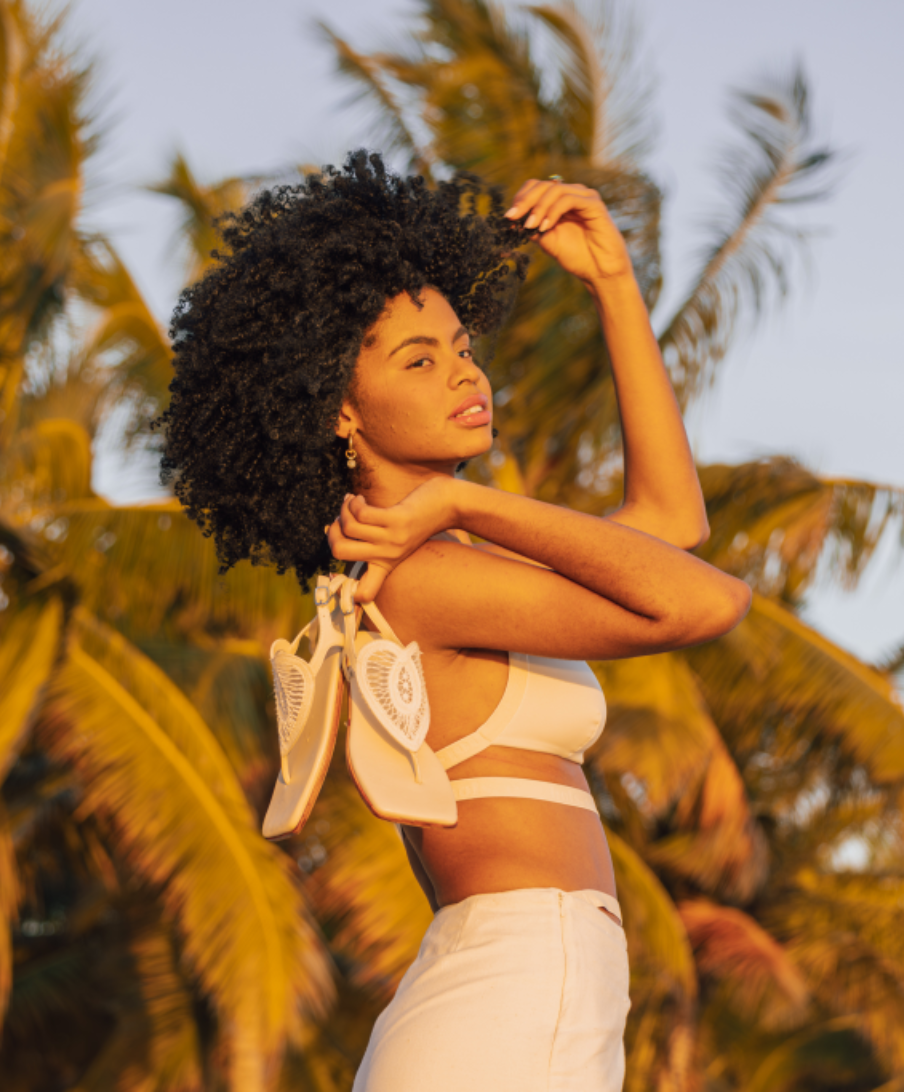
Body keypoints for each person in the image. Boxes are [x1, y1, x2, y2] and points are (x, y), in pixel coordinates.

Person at [155, 151, 751, 1092]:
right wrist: (468, 508)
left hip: (508, 984)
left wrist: (613, 286)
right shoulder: (423, 578)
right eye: (418, 360)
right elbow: (705, 601)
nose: (462, 375)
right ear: (341, 410)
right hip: (515, 980)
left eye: (462, 348)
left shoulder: (440, 569)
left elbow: (673, 531)